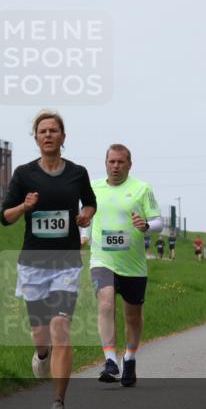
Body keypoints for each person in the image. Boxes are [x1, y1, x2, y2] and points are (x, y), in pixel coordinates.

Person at [1, 110, 96, 409]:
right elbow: (5, 217)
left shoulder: (77, 173)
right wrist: (25, 207)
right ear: (36, 137)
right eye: (42, 131)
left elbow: (90, 202)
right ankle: (41, 356)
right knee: (41, 335)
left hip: (66, 262)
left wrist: (86, 215)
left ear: (63, 137)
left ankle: (58, 404)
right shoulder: (24, 174)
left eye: (54, 130)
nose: (48, 135)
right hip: (33, 264)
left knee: (61, 330)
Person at [89, 144, 162, 387]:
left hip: (133, 265)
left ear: (129, 164)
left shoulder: (142, 189)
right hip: (102, 259)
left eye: (121, 162)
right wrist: (81, 230)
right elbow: (86, 214)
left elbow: (158, 222)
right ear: (106, 163)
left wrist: (145, 227)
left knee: (133, 317)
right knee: (106, 303)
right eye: (112, 162)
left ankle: (129, 357)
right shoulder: (94, 188)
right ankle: (110, 360)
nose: (116, 166)